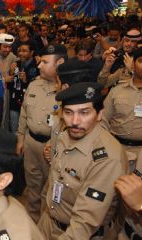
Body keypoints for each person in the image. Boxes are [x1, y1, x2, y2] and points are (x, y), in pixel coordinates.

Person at [38, 82, 126, 239]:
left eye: (84, 113)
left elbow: (85, 222)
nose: (74, 121)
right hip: (48, 223)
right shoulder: (64, 137)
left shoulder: (108, 158)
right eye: (68, 112)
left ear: (100, 114)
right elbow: (54, 180)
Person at [16, 44, 66, 223]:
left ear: (59, 63)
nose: (39, 65)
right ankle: (32, 222)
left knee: (52, 189)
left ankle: (47, 226)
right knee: (32, 185)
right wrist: (20, 138)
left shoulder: (66, 90)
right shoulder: (34, 84)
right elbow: (24, 112)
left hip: (53, 147)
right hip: (31, 143)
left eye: (45, 62)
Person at [102, 47, 142, 240]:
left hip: (141, 155)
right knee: (111, 197)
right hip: (116, 151)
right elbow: (103, 120)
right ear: (133, 63)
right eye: (141, 61)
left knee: (135, 201)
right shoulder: (118, 90)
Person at [8, 42, 39, 133]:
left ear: (32, 52)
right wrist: (11, 72)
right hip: (15, 102)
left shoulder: (38, 65)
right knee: (14, 129)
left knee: (27, 130)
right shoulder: (15, 64)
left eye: (25, 51)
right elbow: (11, 84)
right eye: (19, 51)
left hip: (29, 104)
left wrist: (26, 81)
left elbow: (38, 85)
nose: (21, 53)